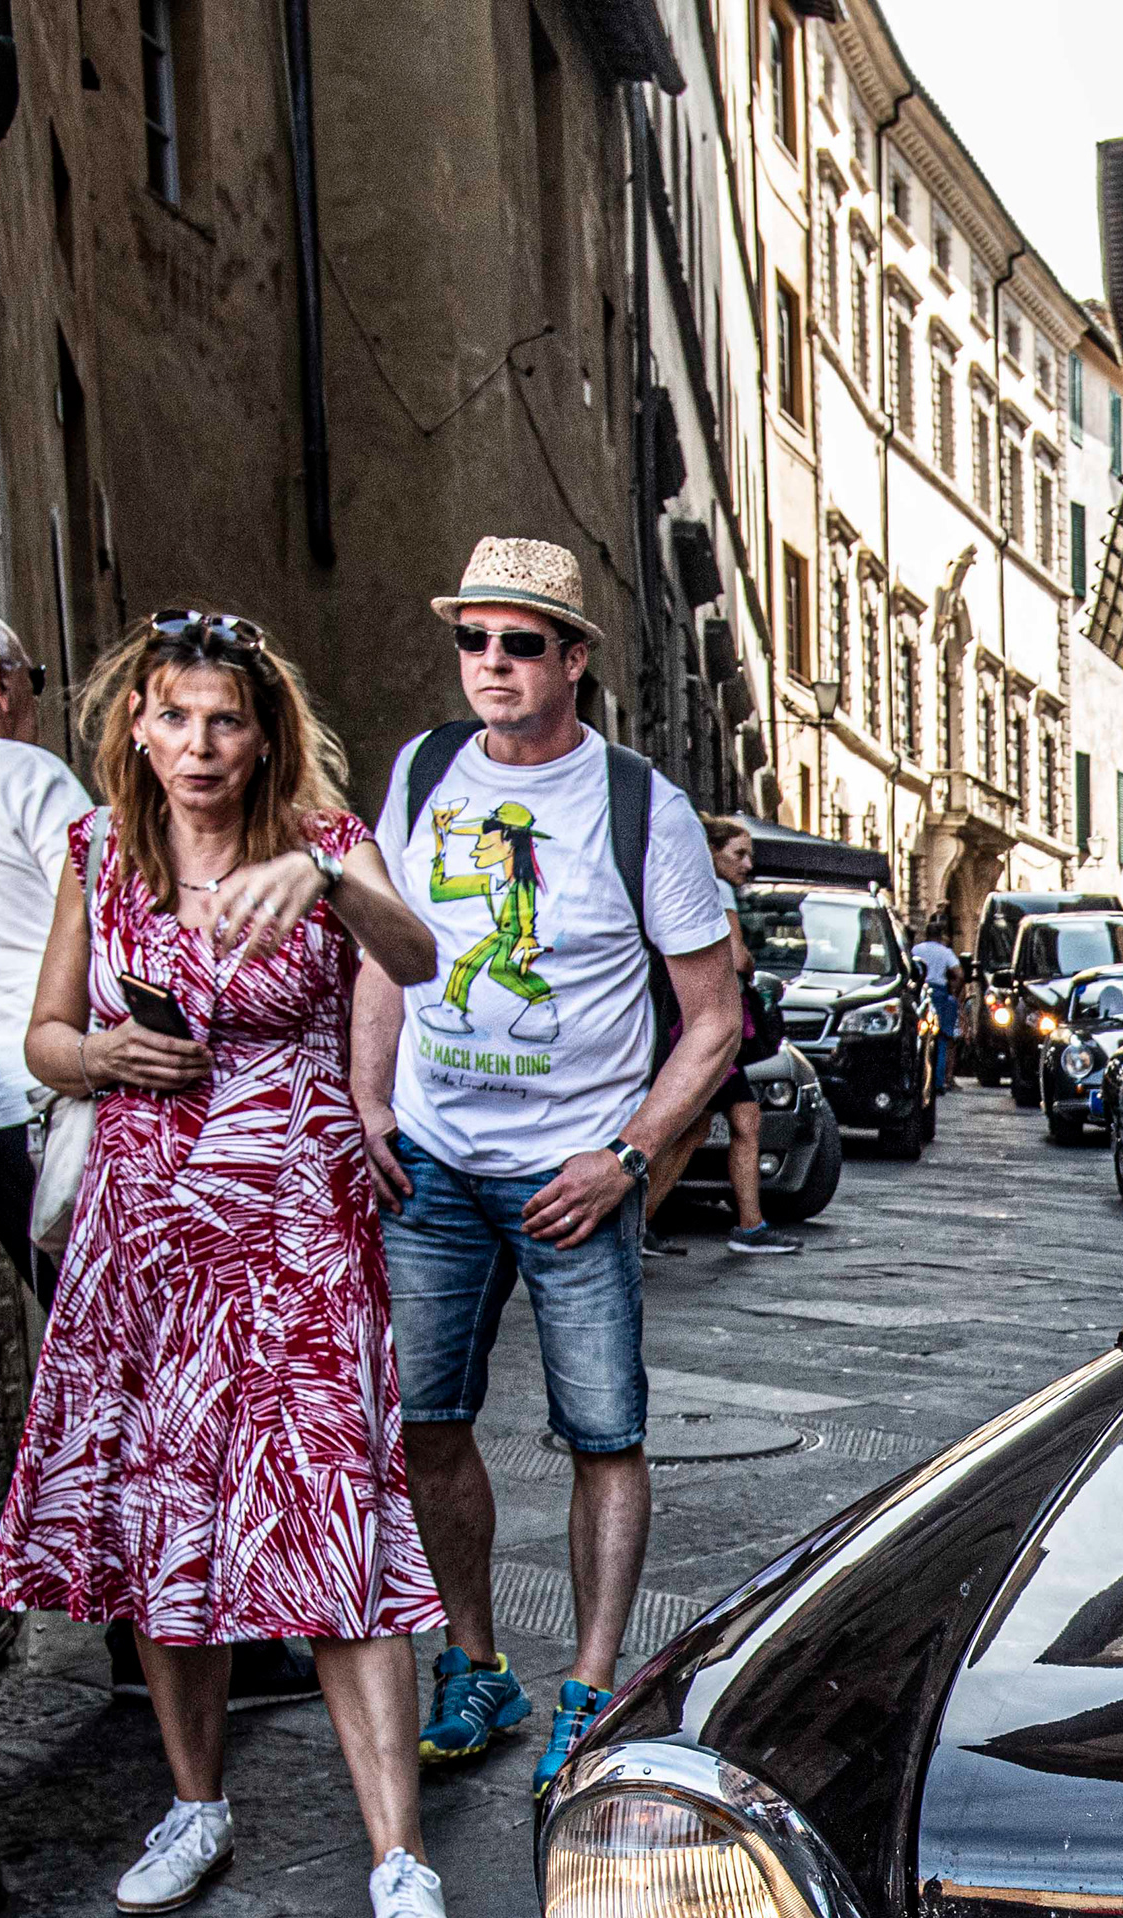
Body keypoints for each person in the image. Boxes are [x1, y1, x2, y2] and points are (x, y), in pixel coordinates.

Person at [0, 609, 458, 1918]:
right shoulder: (100, 852)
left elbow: (417, 957)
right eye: (175, 716)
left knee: (335, 1525)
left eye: (225, 720)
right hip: (147, 1236)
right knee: (163, 1517)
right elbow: (46, 1036)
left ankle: (401, 1862)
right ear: (138, 726)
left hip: (299, 1227)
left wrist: (334, 883)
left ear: (264, 737)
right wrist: (104, 1058)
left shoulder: (324, 838)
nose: (199, 743)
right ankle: (195, 1808)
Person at [356, 538, 741, 1802]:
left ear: (573, 658)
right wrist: (369, 1098)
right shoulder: (422, 770)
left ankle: (589, 1687)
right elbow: (384, 951)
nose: (492, 663)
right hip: (432, 1167)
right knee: (426, 1421)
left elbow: (714, 1019)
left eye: (520, 643)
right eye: (473, 639)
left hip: (572, 1179)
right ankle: (478, 1666)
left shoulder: (640, 805)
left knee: (603, 1432)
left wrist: (626, 1155)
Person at [0, 594, 86, 1288]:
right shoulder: (25, 774)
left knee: (73, 1318)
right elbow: (112, 907)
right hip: (59, 1103)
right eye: (33, 679)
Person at [643, 816, 797, 1257]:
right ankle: (640, 1225)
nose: (747, 864)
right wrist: (748, 960)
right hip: (711, 1029)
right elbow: (736, 957)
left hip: (694, 1026)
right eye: (738, 854)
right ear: (711, 852)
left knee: (718, 1124)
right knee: (723, 1124)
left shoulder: (685, 884)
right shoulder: (718, 889)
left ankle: (744, 1225)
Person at [912, 914, 959, 1113]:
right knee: (941, 1038)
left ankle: (919, 1078)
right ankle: (938, 1082)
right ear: (941, 936)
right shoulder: (946, 952)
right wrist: (954, 991)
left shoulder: (916, 950)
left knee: (920, 1037)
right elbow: (959, 973)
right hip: (940, 993)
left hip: (920, 992)